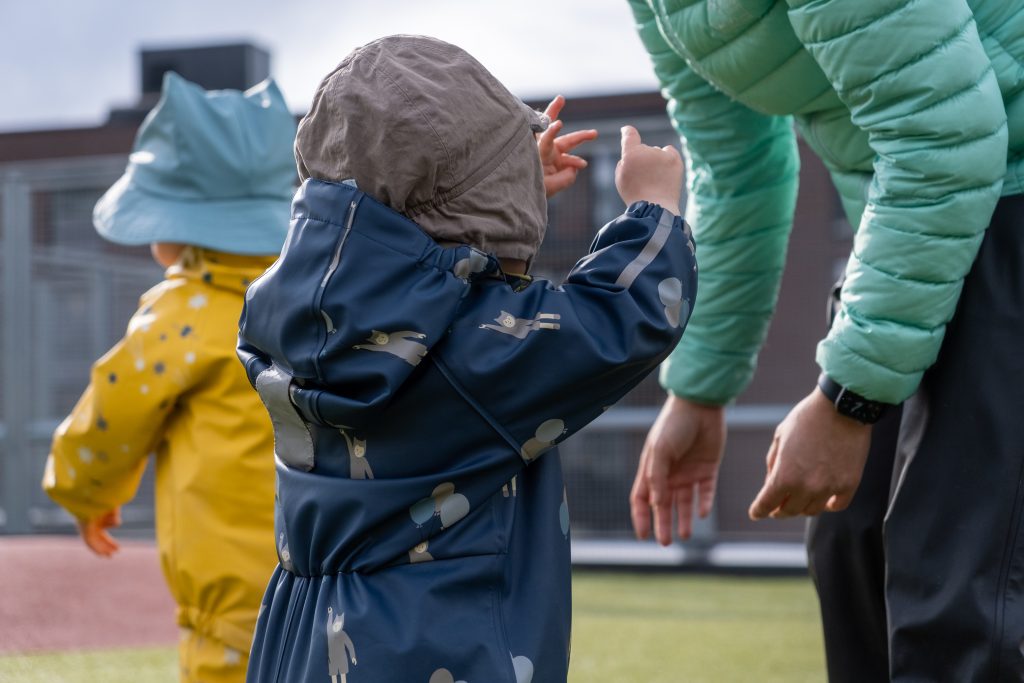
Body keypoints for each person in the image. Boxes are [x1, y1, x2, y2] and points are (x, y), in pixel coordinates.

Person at [237, 35, 697, 683]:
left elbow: (431, 286)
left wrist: (503, 196)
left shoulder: (286, 325)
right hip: (434, 644)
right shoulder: (470, 357)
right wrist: (655, 210)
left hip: (308, 638)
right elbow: (627, 316)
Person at [624, 1, 1024, 681]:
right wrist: (700, 388)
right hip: (907, 210)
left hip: (998, 191)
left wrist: (850, 399)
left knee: (958, 595)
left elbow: (941, 131)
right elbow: (735, 166)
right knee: (848, 547)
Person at [42, 72, 296, 683]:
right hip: (330, 574)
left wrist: (86, 494)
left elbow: (113, 410)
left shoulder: (182, 314)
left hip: (229, 594)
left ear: (174, 223)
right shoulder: (313, 299)